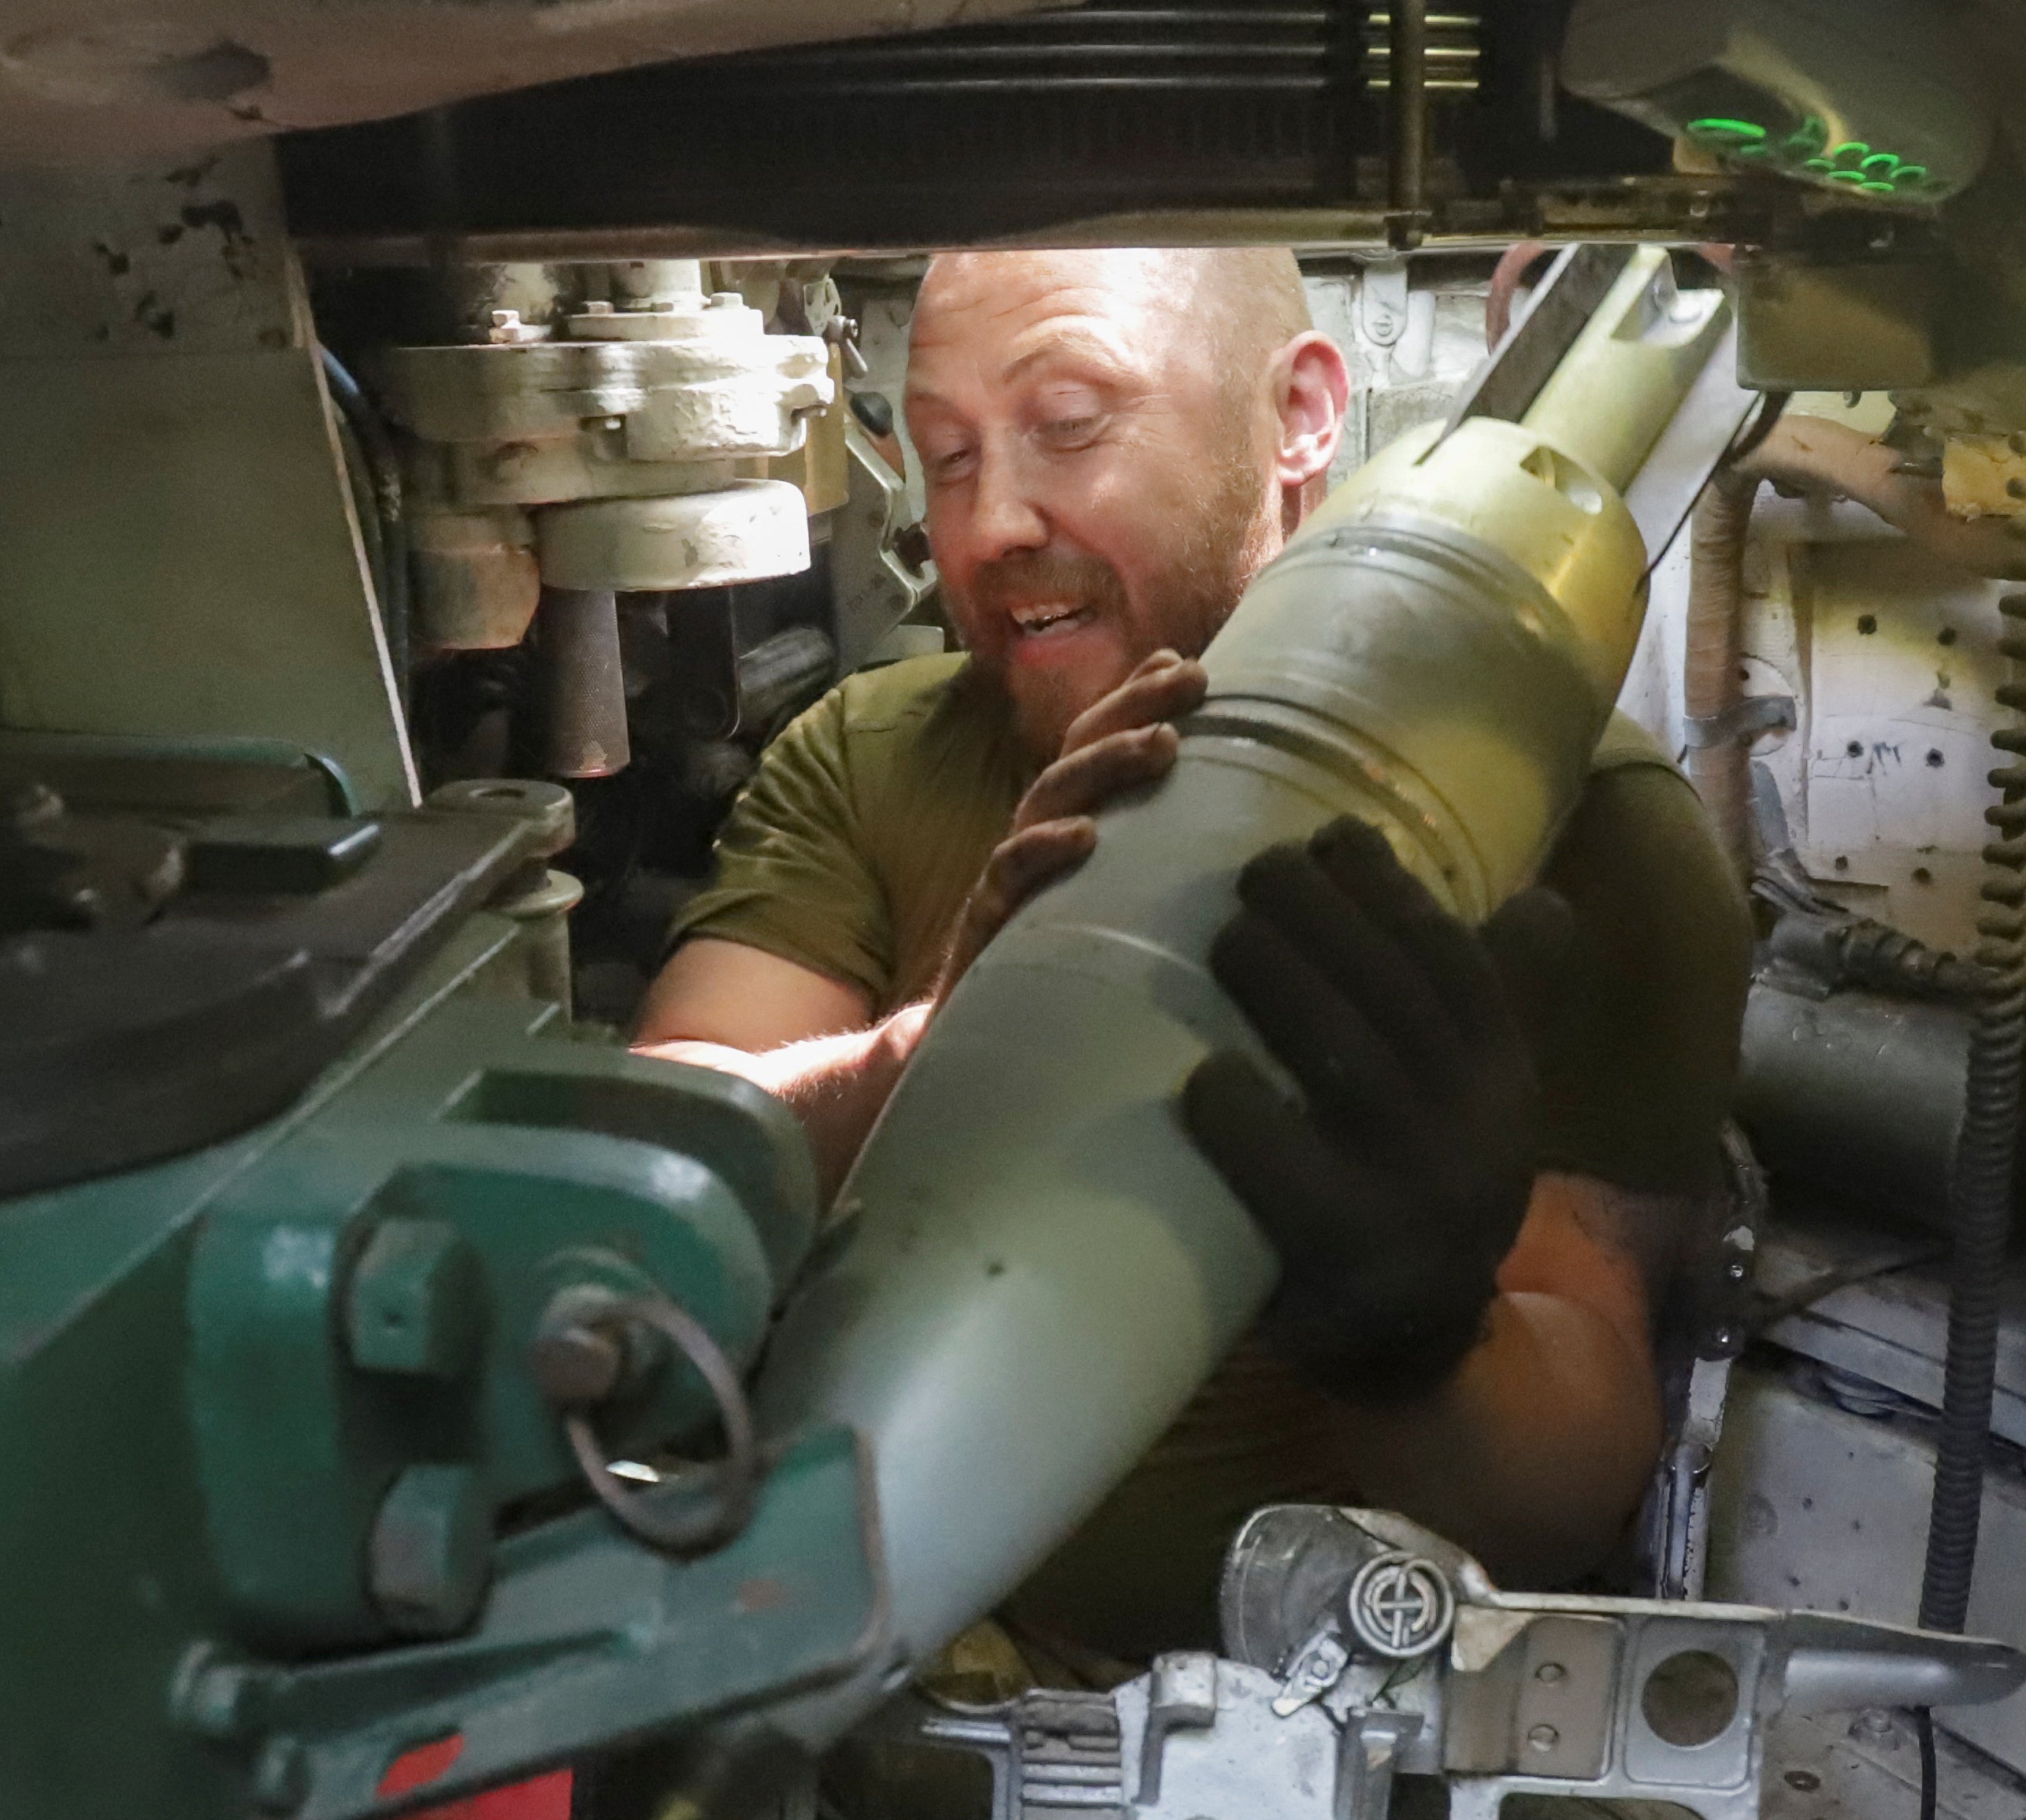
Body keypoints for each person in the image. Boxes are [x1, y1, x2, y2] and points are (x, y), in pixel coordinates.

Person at [633, 246, 1749, 1669]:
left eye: (1070, 425)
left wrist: (1421, 1335)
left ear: (1298, 420)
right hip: (831, 1665)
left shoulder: (1580, 833)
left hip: (1287, 1749)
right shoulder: (872, 759)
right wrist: (941, 1043)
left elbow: (1564, 1498)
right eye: (948, 456)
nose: (983, 529)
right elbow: (642, 1215)